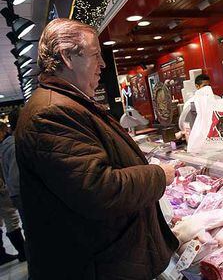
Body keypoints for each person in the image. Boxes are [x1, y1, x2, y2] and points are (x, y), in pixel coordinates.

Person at [14, 18, 179, 280]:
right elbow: (99, 189)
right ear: (68, 57)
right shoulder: (51, 112)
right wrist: (159, 175)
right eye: (95, 55)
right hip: (94, 266)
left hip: (103, 259)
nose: (102, 65)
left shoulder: (67, 102)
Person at [0, 123, 26, 264]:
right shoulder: (12, 145)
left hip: (9, 189)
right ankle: (23, 253)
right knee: (12, 220)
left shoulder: (5, 146)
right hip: (10, 191)